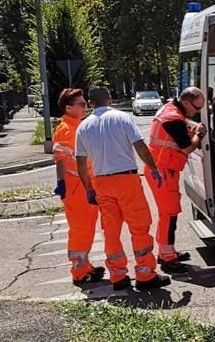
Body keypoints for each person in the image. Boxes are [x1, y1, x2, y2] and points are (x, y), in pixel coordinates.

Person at [75, 87, 171, 291]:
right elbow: (140, 146)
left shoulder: (83, 127)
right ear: (109, 99)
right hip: (126, 180)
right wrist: (153, 168)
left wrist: (88, 189)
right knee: (139, 228)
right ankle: (145, 275)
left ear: (91, 104)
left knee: (111, 232)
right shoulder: (122, 118)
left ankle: (118, 276)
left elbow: (81, 164)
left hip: (101, 182)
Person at [145, 87, 207, 273]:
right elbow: (187, 148)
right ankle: (168, 258)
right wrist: (199, 134)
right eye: (197, 108)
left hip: (162, 169)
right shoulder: (173, 118)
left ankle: (166, 252)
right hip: (163, 171)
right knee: (168, 214)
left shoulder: (170, 109)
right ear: (187, 103)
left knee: (169, 213)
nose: (197, 112)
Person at [51, 88, 105, 286]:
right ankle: (79, 272)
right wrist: (61, 183)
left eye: (85, 103)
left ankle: (85, 266)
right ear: (68, 107)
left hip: (83, 185)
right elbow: (60, 159)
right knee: (81, 229)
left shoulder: (76, 125)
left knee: (87, 227)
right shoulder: (66, 129)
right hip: (75, 187)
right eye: (81, 104)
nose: (85, 107)